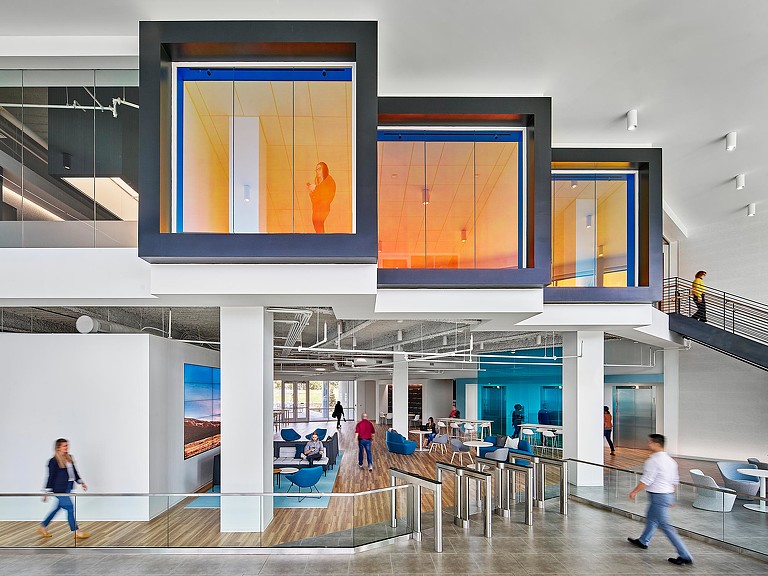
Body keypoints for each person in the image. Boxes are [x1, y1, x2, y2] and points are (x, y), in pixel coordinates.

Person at [628, 434, 693, 566]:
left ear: (656, 444)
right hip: (665, 494)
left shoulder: (653, 461)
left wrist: (635, 491)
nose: (648, 444)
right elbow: (674, 481)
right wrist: (671, 497)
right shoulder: (671, 461)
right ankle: (643, 540)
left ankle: (685, 555)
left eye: (650, 442)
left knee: (665, 525)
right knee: (651, 518)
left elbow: (647, 480)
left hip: (659, 496)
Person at [38, 438, 89, 539]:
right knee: (70, 507)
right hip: (59, 489)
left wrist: (81, 482)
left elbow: (74, 472)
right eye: (64, 446)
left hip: (68, 487)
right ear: (58, 447)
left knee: (57, 508)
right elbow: (50, 476)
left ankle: (43, 526)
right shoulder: (53, 461)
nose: (67, 447)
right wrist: (46, 492)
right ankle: (76, 531)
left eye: (67, 445)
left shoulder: (69, 457)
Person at [306, 161, 336, 233]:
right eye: (316, 170)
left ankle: (321, 238)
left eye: (319, 169)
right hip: (317, 210)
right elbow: (315, 200)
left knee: (318, 223)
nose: (317, 171)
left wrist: (316, 188)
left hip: (323, 208)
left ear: (324, 169)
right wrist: (311, 193)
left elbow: (327, 193)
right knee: (316, 223)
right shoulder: (319, 183)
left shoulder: (329, 180)